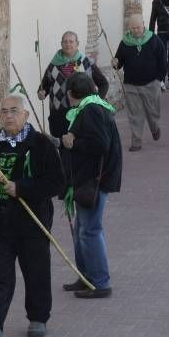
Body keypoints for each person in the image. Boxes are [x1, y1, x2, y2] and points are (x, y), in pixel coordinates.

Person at [0, 93, 65, 337]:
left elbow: (56, 182)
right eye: (3, 112)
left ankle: (38, 318)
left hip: (32, 224)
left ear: (25, 115)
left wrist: (21, 188)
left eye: (13, 111)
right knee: (0, 275)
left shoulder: (41, 144)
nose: (8, 116)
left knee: (36, 272)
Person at [60, 73, 122, 299]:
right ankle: (85, 276)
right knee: (81, 229)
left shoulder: (92, 110)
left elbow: (100, 144)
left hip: (95, 179)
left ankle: (99, 281)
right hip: (89, 177)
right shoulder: (93, 107)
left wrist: (73, 142)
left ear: (70, 94)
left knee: (90, 229)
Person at [37, 31, 109, 138]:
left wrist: (97, 101)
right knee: (61, 145)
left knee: (82, 144)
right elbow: (44, 86)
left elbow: (103, 84)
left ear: (77, 44)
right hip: (59, 113)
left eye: (71, 41)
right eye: (65, 42)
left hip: (82, 112)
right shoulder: (53, 65)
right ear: (61, 44)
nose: (68, 44)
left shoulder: (86, 62)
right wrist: (41, 93)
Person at [112, 14, 167, 151]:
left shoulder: (153, 40)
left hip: (151, 83)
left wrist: (158, 80)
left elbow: (163, 60)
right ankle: (136, 142)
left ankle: (154, 128)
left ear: (143, 24)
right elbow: (119, 62)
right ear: (129, 28)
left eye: (138, 27)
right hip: (131, 84)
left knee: (153, 112)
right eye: (133, 28)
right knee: (135, 114)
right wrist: (115, 63)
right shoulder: (125, 42)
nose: (136, 30)